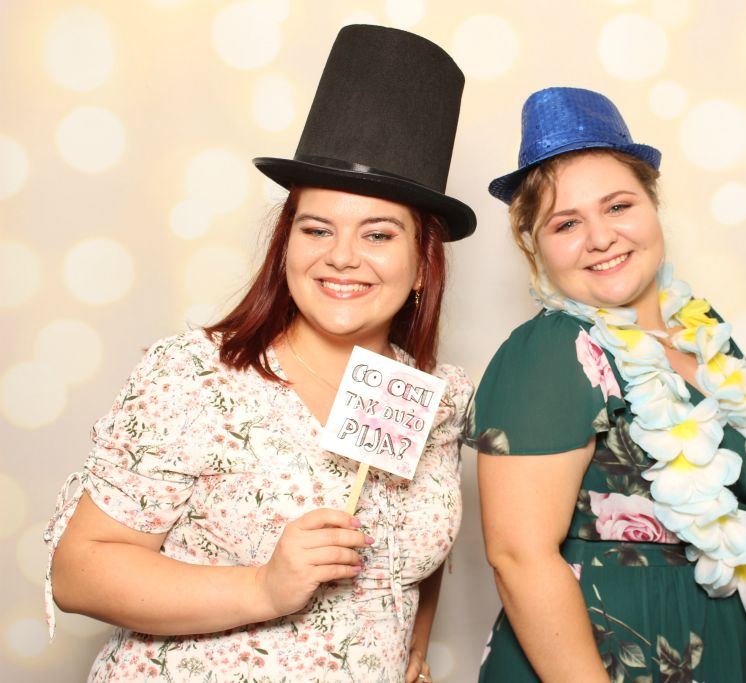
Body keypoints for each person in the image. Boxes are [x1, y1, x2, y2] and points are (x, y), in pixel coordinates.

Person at [45, 25, 475, 683]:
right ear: (286, 246)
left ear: (422, 263)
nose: (342, 256)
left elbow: (415, 552)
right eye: (317, 228)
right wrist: (262, 587)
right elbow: (78, 572)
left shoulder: (434, 397)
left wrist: (408, 649)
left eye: (378, 234)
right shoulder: (195, 375)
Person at [468, 87, 746, 682]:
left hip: (732, 642)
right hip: (612, 658)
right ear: (535, 245)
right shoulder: (552, 351)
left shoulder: (705, 335)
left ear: (653, 205)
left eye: (618, 206)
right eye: (566, 223)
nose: (600, 237)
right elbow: (518, 556)